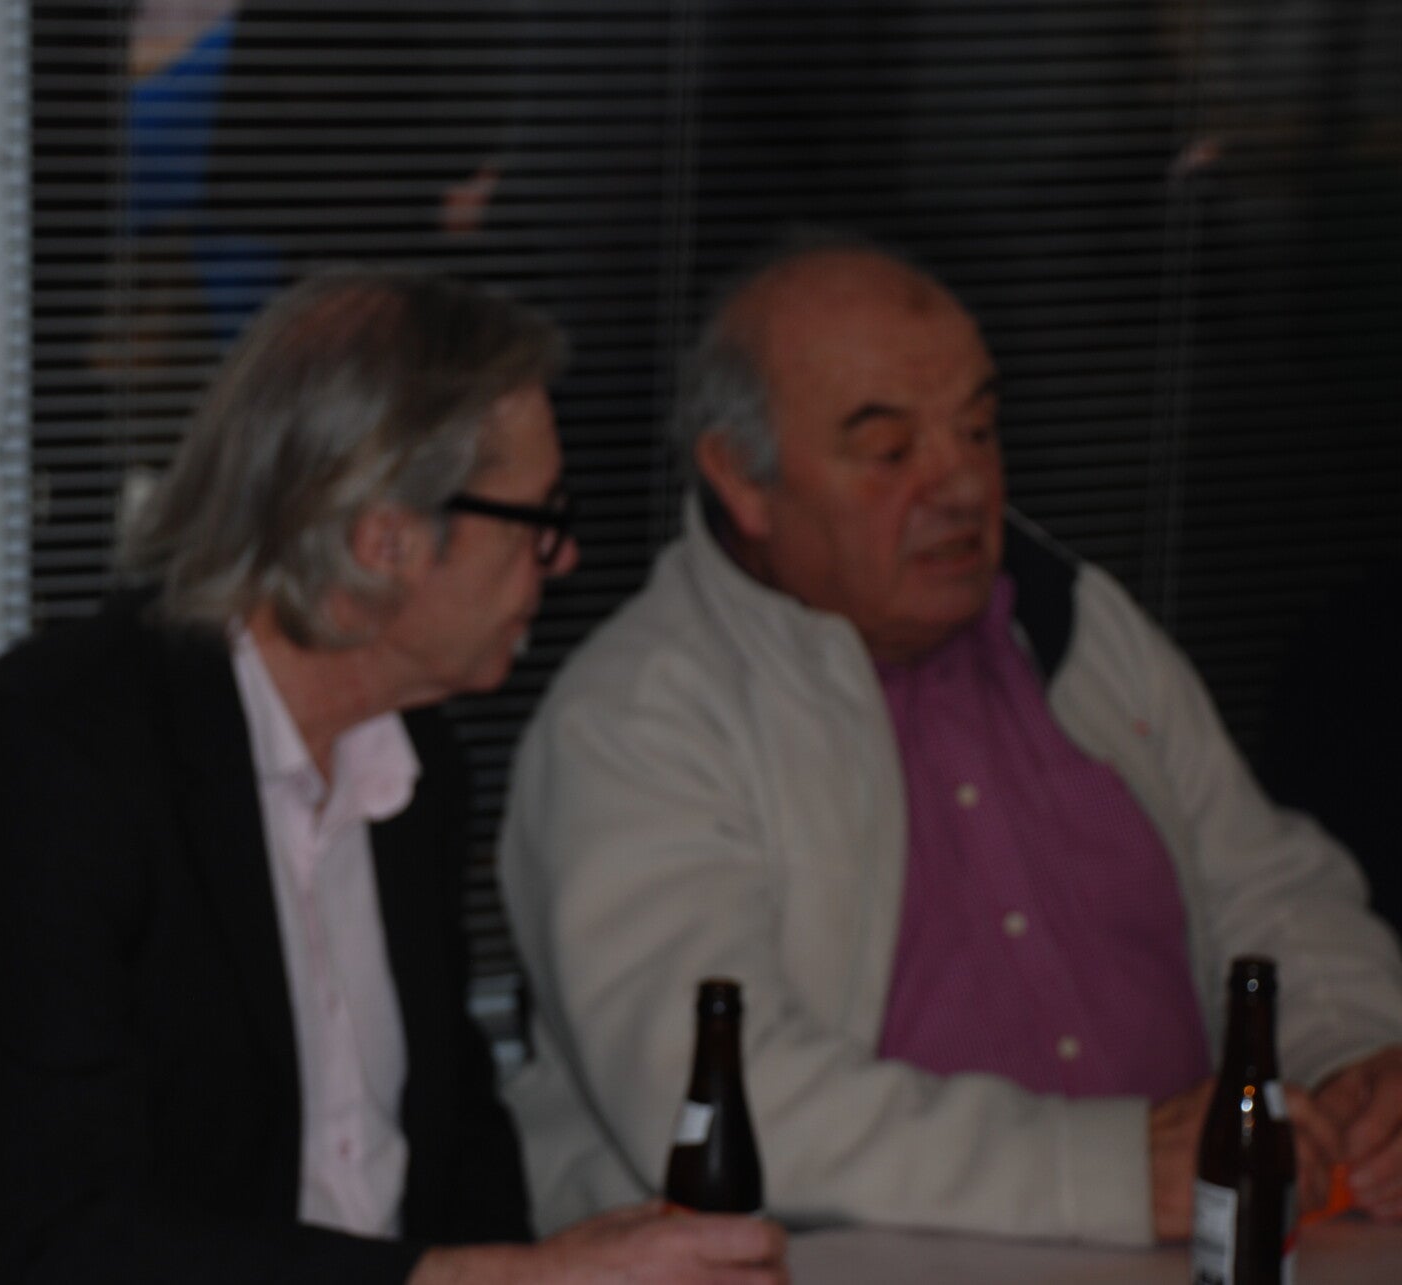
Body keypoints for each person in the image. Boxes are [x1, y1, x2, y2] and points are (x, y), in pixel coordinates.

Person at [0, 269, 788, 1284]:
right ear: (385, 540)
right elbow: (67, 1241)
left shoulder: (415, 767)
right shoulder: (46, 767)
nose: (564, 554)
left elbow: (457, 1138)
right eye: (538, 517)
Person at [498, 232, 1402, 1247]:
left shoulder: (1071, 625)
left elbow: (1268, 889)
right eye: (891, 451)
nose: (964, 484)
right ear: (743, 480)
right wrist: (1103, 1167)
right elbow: (724, 1095)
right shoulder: (640, 715)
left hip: (1198, 1240)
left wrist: (1355, 1055)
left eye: (978, 429)